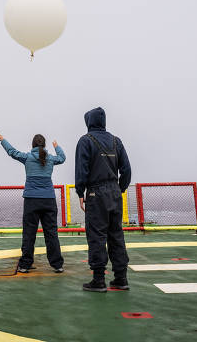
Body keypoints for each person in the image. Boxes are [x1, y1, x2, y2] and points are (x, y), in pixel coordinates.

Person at [75, 107, 132, 292]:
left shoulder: (85, 141)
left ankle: (98, 280)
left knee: (97, 235)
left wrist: (80, 192)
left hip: (96, 194)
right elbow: (127, 170)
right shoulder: (117, 141)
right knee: (116, 234)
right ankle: (121, 278)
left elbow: (81, 170)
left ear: (88, 122)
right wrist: (119, 188)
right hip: (114, 193)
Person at [0, 132, 66, 274]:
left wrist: (2, 140)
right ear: (44, 145)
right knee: (51, 233)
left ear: (32, 145)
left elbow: (12, 152)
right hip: (48, 200)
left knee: (29, 234)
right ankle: (57, 265)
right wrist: (57, 147)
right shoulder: (50, 158)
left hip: (31, 200)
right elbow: (62, 158)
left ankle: (25, 265)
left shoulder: (27, 157)